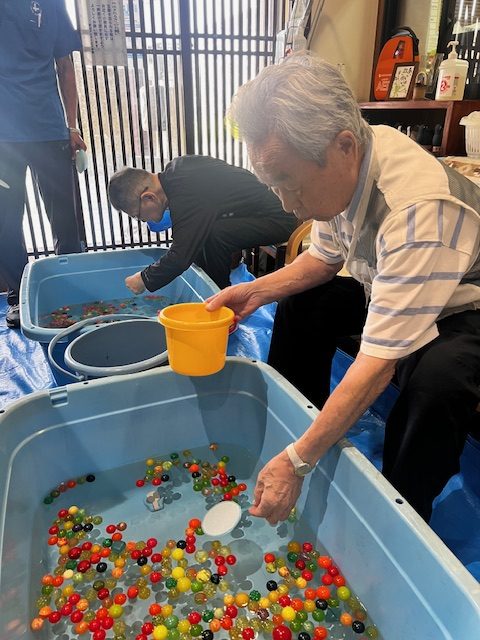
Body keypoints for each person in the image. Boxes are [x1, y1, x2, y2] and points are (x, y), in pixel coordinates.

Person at [206, 53, 480, 525]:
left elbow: (377, 365)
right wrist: (256, 293)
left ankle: (400, 513)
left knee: (436, 382)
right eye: (273, 185)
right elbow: (325, 258)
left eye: (289, 183)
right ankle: (300, 426)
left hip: (464, 302)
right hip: (392, 282)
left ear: (344, 146)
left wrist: (299, 463)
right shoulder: (344, 168)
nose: (285, 204)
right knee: (304, 304)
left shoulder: (418, 210)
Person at [0, 0, 86, 329]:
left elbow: (65, 65)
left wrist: (72, 126)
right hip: (4, 137)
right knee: (6, 221)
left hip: (49, 129)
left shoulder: (51, 4)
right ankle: (18, 296)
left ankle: (73, 288)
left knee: (65, 218)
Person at [107, 156, 298, 292]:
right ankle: (212, 295)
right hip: (251, 215)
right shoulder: (176, 173)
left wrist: (143, 278)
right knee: (201, 237)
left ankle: (221, 303)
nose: (143, 221)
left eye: (138, 216)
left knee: (214, 235)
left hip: (280, 218)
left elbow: (180, 256)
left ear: (149, 198)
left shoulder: (184, 190)